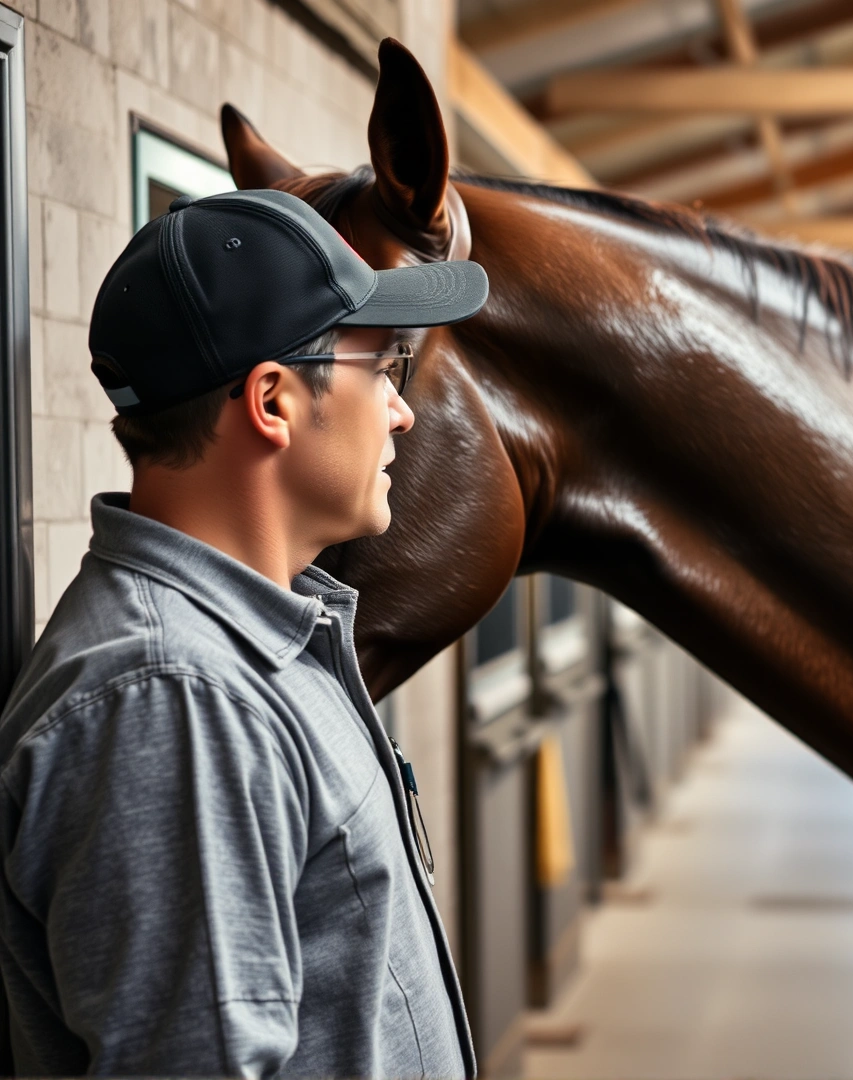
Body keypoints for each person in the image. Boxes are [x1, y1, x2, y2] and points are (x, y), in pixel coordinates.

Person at [0, 189, 489, 1076]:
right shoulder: (173, 702)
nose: (402, 411)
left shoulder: (252, 641)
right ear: (273, 400)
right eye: (382, 369)